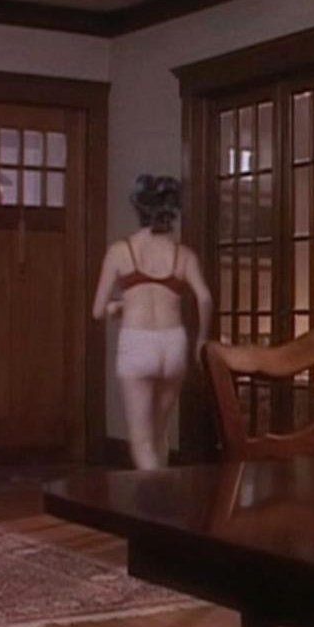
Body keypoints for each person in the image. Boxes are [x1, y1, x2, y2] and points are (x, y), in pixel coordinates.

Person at [92, 175, 212, 469]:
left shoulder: (120, 251)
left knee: (142, 443)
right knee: (160, 433)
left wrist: (117, 307)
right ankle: (163, 489)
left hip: (138, 342)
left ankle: (155, 495)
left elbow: (97, 310)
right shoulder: (184, 255)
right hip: (173, 343)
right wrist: (201, 339)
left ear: (139, 210)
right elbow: (205, 298)